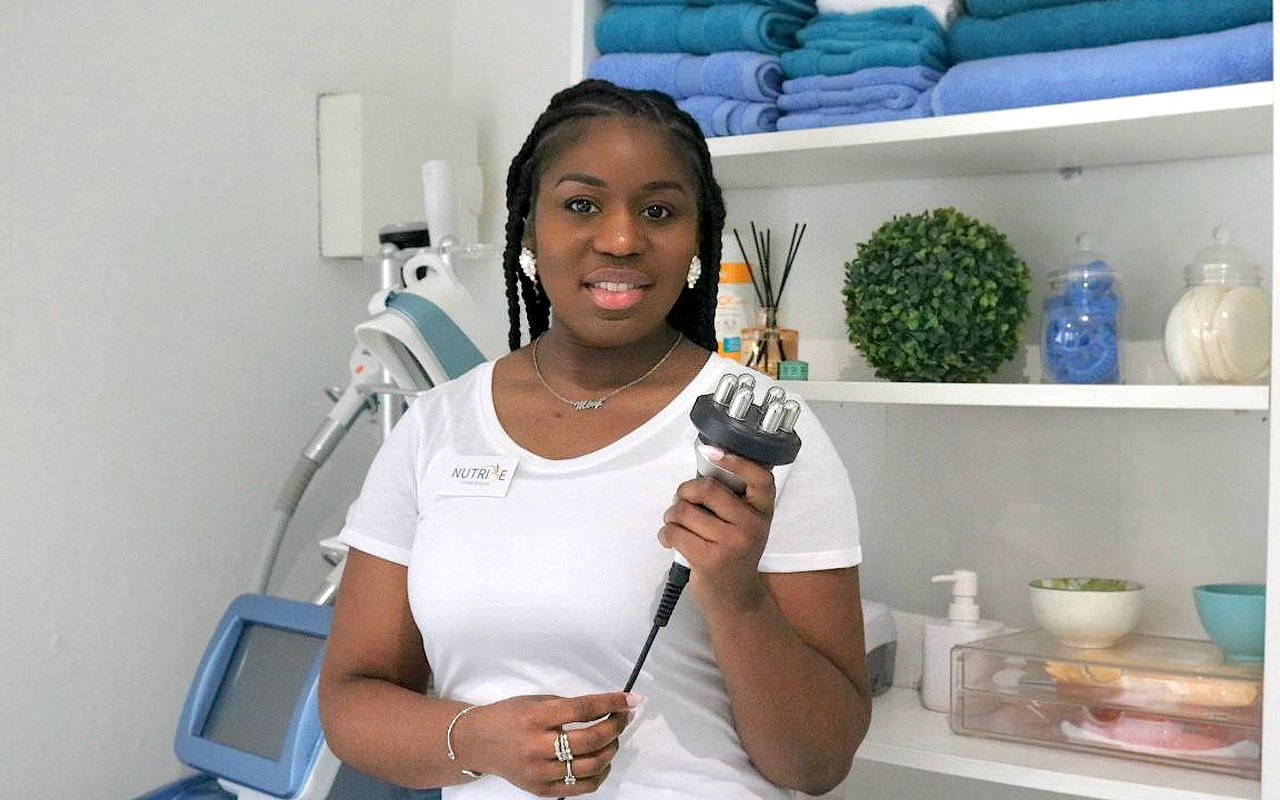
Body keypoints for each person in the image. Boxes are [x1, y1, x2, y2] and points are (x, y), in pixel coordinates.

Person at [318, 79, 871, 800]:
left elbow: (816, 764)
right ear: (528, 229)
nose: (621, 239)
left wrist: (738, 597)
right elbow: (351, 704)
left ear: (697, 239)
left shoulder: (761, 434)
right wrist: (478, 738)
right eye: (581, 205)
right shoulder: (435, 428)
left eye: (659, 211)